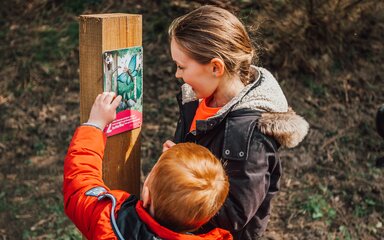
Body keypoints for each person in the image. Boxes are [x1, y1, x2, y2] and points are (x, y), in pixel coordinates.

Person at [162, 5, 309, 239]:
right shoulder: (197, 103)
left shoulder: (251, 135)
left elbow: (234, 214)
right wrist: (177, 161)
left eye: (181, 66)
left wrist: (178, 186)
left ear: (215, 67)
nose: (177, 74)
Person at [63, 92, 232, 240]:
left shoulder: (109, 221)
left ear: (147, 195)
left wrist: (95, 125)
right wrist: (180, 159)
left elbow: (80, 183)